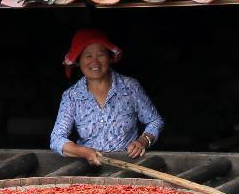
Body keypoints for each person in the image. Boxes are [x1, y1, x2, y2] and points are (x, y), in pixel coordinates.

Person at [50, 28, 164, 165]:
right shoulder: (72, 96)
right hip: (88, 170)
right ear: (78, 61)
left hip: (129, 166)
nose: (95, 62)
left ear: (110, 57)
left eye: (101, 55)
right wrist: (84, 152)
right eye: (88, 56)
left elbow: (155, 121)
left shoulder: (130, 87)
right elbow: (57, 139)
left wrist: (143, 141)